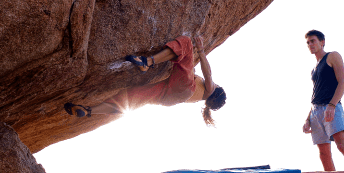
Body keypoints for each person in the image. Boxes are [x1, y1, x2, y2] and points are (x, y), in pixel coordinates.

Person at [64, 35, 226, 126]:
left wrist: (201, 49)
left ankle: (148, 62)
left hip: (183, 88)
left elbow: (209, 74)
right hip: (169, 99)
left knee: (187, 44)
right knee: (130, 98)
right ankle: (89, 111)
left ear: (215, 91)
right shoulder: (198, 97)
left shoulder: (210, 89)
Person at [302, 30, 344, 171]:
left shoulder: (332, 56)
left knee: (341, 144)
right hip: (316, 111)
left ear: (322, 42)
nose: (310, 44)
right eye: (308, 42)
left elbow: (343, 82)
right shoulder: (313, 70)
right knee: (323, 153)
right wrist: (307, 119)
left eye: (313, 41)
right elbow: (316, 94)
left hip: (331, 107)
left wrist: (332, 105)